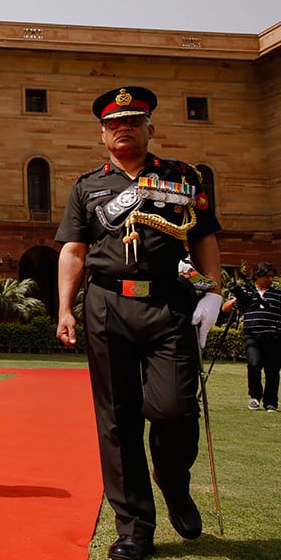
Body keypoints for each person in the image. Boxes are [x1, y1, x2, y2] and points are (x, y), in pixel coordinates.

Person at [55, 86, 222, 560]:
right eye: (113, 124)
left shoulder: (182, 177)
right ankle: (134, 529)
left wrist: (213, 290)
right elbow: (73, 251)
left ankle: (172, 479)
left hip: (169, 304)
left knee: (173, 408)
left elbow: (205, 237)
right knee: (117, 421)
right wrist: (65, 308)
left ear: (150, 127)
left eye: (132, 121)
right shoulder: (87, 186)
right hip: (107, 306)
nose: (122, 129)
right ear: (103, 135)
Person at [223, 261, 281, 412]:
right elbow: (225, 308)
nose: (270, 279)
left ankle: (271, 402)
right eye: (267, 276)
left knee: (272, 370)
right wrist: (238, 298)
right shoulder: (247, 292)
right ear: (257, 276)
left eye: (272, 276)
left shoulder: (277, 294)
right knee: (254, 364)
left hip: (273, 336)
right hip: (252, 335)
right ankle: (255, 396)